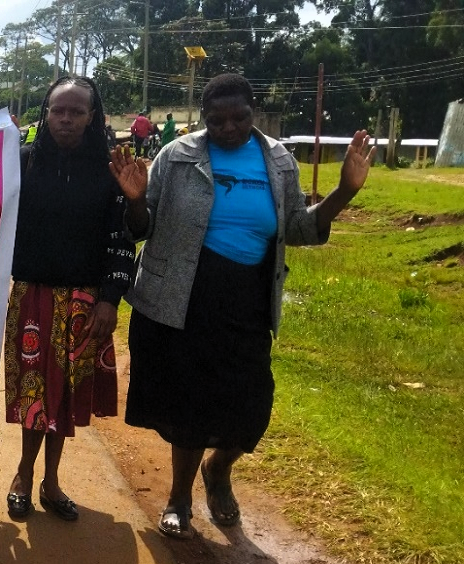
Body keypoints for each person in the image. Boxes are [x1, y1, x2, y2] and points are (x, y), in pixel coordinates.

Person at [109, 73, 375, 539]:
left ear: (253, 113)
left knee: (251, 408)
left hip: (248, 301)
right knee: (190, 407)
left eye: (239, 117)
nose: (228, 127)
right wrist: (134, 200)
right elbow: (141, 226)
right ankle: (178, 499)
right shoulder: (177, 156)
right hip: (185, 298)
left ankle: (219, 469)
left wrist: (345, 192)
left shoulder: (279, 160)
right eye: (216, 120)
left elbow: (298, 228)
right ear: (203, 118)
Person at [4, 76, 134, 523]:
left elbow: (122, 238)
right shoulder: (20, 163)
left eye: (76, 111)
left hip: (85, 301)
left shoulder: (109, 171)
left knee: (64, 399)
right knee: (33, 394)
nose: (66, 118)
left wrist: (111, 300)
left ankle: (52, 480)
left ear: (92, 117)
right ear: (46, 112)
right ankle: (22, 473)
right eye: (58, 110)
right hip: (32, 297)